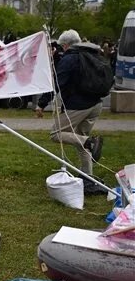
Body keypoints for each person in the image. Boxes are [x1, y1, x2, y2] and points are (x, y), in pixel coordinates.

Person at [35, 30, 105, 194]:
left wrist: (41, 104)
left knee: (56, 134)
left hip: (78, 105)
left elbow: (58, 83)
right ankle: (87, 177)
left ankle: (91, 142)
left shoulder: (71, 58)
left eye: (62, 47)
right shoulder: (93, 54)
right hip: (96, 104)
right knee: (80, 140)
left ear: (66, 45)